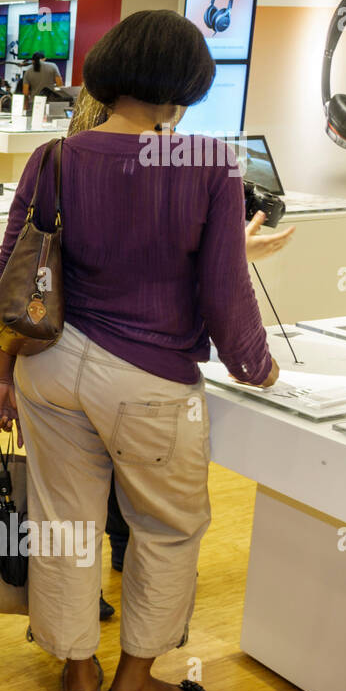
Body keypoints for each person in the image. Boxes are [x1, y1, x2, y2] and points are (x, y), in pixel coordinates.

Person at [0, 10, 280, 691]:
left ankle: (80, 673)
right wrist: (255, 365)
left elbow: (12, 275)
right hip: (149, 379)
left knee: (64, 521)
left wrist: (1, 378)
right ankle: (136, 683)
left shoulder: (57, 156)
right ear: (185, 87)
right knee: (166, 527)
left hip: (51, 366)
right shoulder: (207, 163)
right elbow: (224, 289)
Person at [65, 90, 297, 580]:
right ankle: (135, 629)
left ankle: (76, 637)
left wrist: (5, 379)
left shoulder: (67, 158)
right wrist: (254, 360)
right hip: (145, 364)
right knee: (162, 516)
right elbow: (187, 280)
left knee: (72, 502)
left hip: (64, 358)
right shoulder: (188, 168)